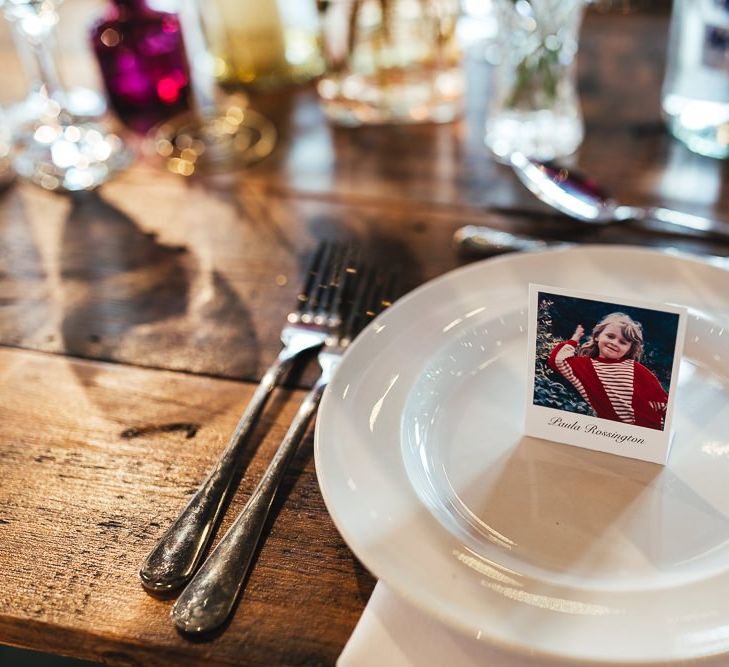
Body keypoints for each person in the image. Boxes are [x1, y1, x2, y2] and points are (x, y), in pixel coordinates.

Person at [548, 312, 668, 430]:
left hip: (646, 429)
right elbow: (558, 360)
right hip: (610, 432)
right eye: (610, 336)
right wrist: (575, 339)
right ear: (597, 336)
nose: (614, 343)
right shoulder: (585, 366)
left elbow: (662, 402)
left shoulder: (636, 368)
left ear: (629, 349)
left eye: (622, 342)